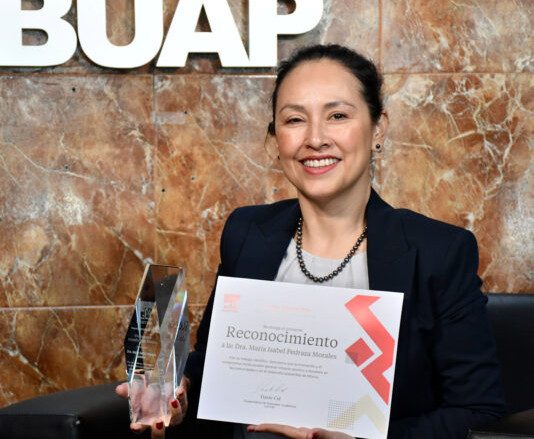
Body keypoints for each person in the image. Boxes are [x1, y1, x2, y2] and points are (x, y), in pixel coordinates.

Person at [118, 44, 506, 439]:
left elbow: (479, 412)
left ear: (378, 129)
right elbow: (220, 367)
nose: (316, 139)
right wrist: (180, 392)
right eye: (294, 120)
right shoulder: (246, 233)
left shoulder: (439, 252)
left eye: (337, 116)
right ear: (274, 140)